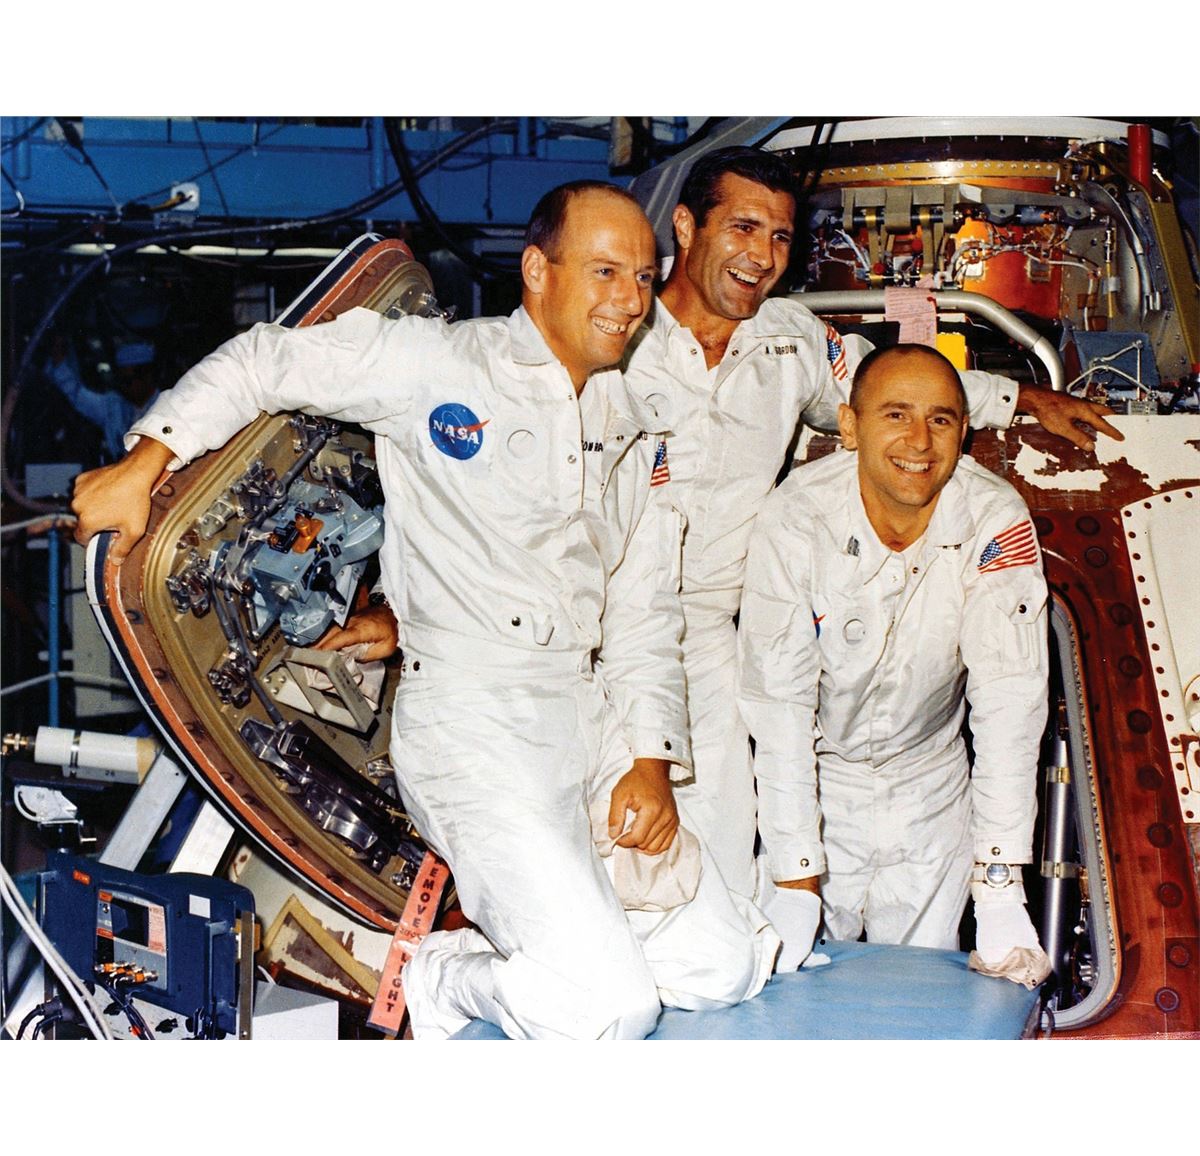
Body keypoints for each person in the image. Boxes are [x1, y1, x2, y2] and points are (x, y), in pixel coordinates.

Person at [70, 181, 778, 1040]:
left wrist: (650, 759)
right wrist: (144, 462)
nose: (630, 301)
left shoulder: (631, 418)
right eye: (604, 272)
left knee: (724, 966)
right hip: (475, 732)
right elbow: (263, 360)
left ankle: (563, 942)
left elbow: (643, 610)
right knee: (610, 1012)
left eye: (641, 276)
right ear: (537, 271)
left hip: (589, 720)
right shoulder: (438, 366)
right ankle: (443, 978)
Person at [620, 146, 1120, 964]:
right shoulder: (618, 334)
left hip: (711, 640)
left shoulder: (788, 341)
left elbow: (889, 388)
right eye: (742, 228)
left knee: (712, 885)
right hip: (608, 629)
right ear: (684, 225)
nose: (762, 256)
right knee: (612, 867)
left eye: (780, 237)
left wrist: (1020, 398)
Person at [737, 344, 1052, 987]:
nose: (919, 441)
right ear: (850, 427)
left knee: (918, 993)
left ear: (964, 433)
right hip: (817, 780)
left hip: (930, 787)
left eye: (941, 419)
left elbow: (1010, 701)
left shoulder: (994, 520)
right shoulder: (797, 518)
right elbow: (779, 705)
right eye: (896, 414)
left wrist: (998, 882)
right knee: (791, 987)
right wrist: (796, 876)